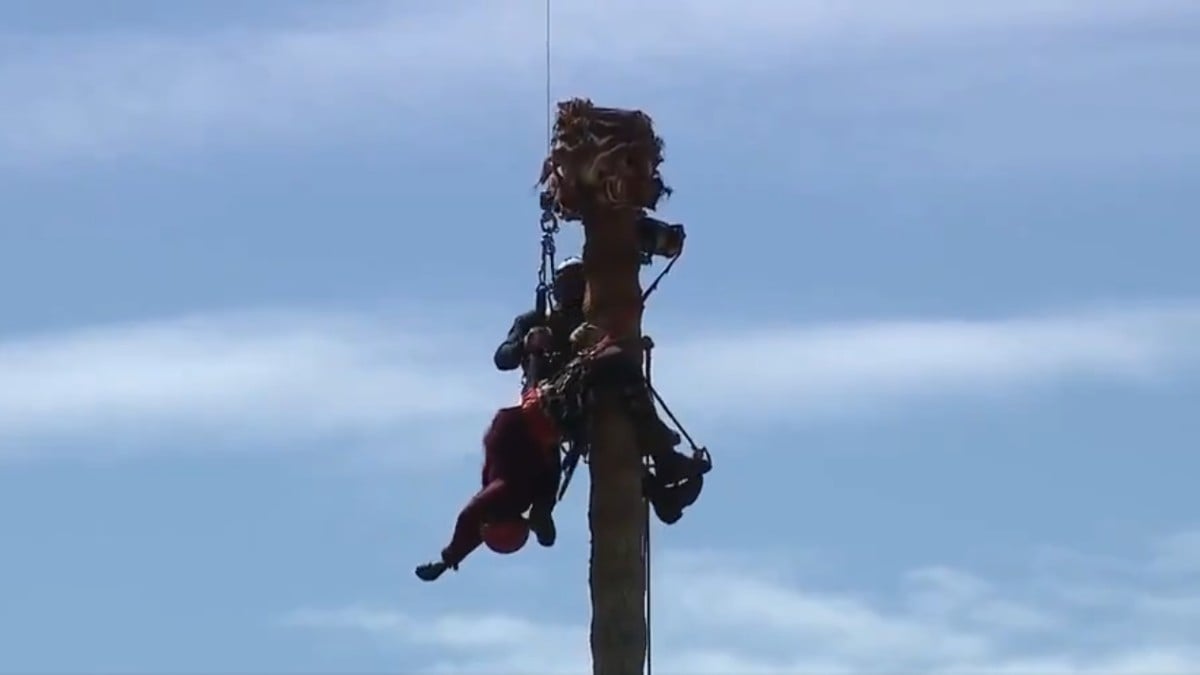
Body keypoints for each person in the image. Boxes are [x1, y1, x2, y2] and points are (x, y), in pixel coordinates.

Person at [414, 382, 564, 582]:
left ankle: (544, 513)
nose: (485, 520)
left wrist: (448, 561)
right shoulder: (504, 493)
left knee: (545, 492)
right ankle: (544, 512)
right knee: (545, 492)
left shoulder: (513, 498)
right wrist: (449, 558)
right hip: (530, 421)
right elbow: (469, 518)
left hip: (536, 428)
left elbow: (473, 526)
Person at [493, 257, 587, 389]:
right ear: (556, 287)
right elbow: (502, 359)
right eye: (567, 282)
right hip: (544, 393)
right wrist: (526, 344)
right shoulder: (533, 320)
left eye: (578, 281)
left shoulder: (598, 319)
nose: (573, 289)